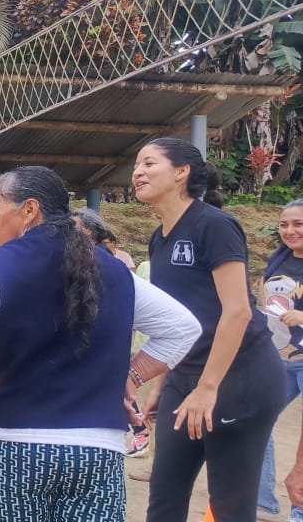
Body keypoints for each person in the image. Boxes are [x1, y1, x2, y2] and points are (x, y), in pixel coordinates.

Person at [0, 166, 200, 522]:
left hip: (14, 446)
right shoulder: (113, 269)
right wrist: (132, 376)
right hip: (97, 448)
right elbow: (183, 328)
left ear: (29, 210)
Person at [133, 137, 286, 521]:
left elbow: (238, 312)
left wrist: (208, 387)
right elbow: (174, 324)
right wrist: (162, 385)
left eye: (149, 163)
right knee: (163, 497)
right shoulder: (159, 238)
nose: (137, 172)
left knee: (230, 507)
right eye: (136, 165)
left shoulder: (215, 225)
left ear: (181, 172)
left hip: (239, 377)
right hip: (186, 377)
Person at [73, 207, 153, 459]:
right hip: (97, 335)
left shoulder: (103, 261)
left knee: (116, 385)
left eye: (74, 226)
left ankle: (139, 429)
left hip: (101, 335)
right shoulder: (84, 257)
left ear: (89, 231)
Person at [259, 200, 303, 522]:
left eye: (298, 224)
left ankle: (299, 510)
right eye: (284, 224)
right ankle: (261, 502)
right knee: (255, 418)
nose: (289, 231)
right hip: (279, 358)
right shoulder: (279, 259)